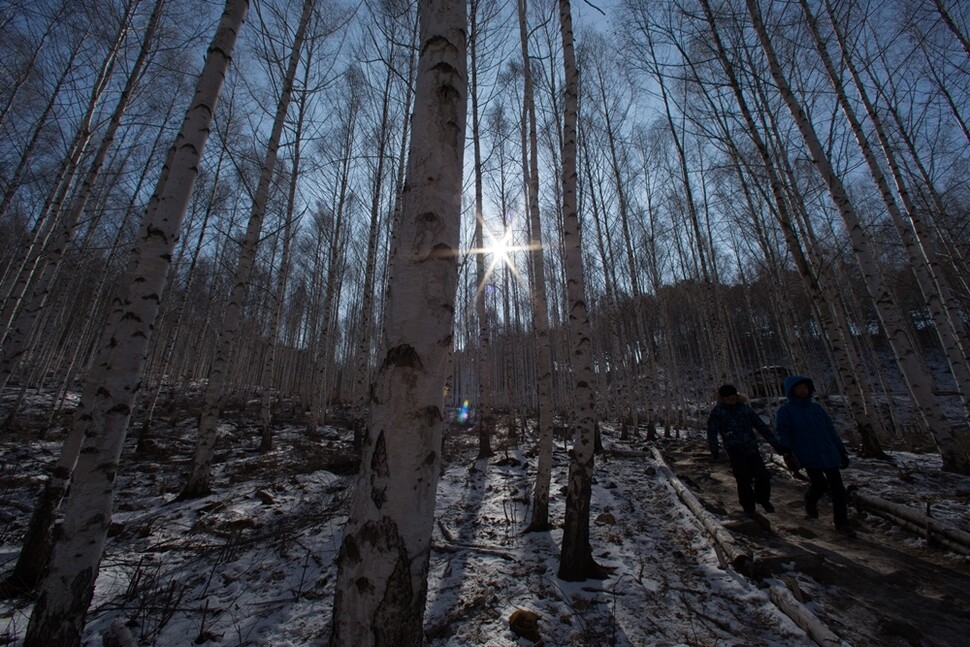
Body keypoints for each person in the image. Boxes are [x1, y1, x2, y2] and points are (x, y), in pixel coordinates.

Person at [775, 375, 855, 537]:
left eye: (805, 387)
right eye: (799, 388)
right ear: (792, 390)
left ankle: (841, 523)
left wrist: (841, 450)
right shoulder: (786, 411)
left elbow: (830, 430)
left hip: (828, 453)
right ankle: (810, 500)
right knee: (819, 484)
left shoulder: (816, 409)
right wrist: (787, 452)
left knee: (838, 489)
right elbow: (784, 433)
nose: (803, 390)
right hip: (808, 454)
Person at [707, 384, 782, 516]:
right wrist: (714, 449)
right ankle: (749, 508)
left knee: (763, 475)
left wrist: (775, 444)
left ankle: (762, 499)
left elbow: (760, 426)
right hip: (734, 449)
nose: (731, 400)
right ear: (722, 399)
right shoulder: (718, 412)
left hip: (751, 447)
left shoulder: (744, 409)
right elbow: (711, 431)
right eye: (728, 398)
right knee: (743, 479)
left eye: (733, 397)